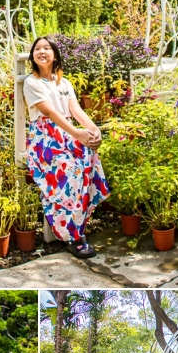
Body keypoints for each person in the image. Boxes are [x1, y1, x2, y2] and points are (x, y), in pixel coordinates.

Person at [23, 35, 109, 259]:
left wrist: (92, 129)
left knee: (89, 160)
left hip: (67, 133)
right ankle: (73, 235)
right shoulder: (31, 82)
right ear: (33, 56)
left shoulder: (63, 82)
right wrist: (78, 134)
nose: (42, 52)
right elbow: (50, 112)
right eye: (37, 49)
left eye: (47, 48)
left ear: (55, 54)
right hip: (45, 139)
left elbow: (76, 110)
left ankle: (78, 224)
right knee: (71, 172)